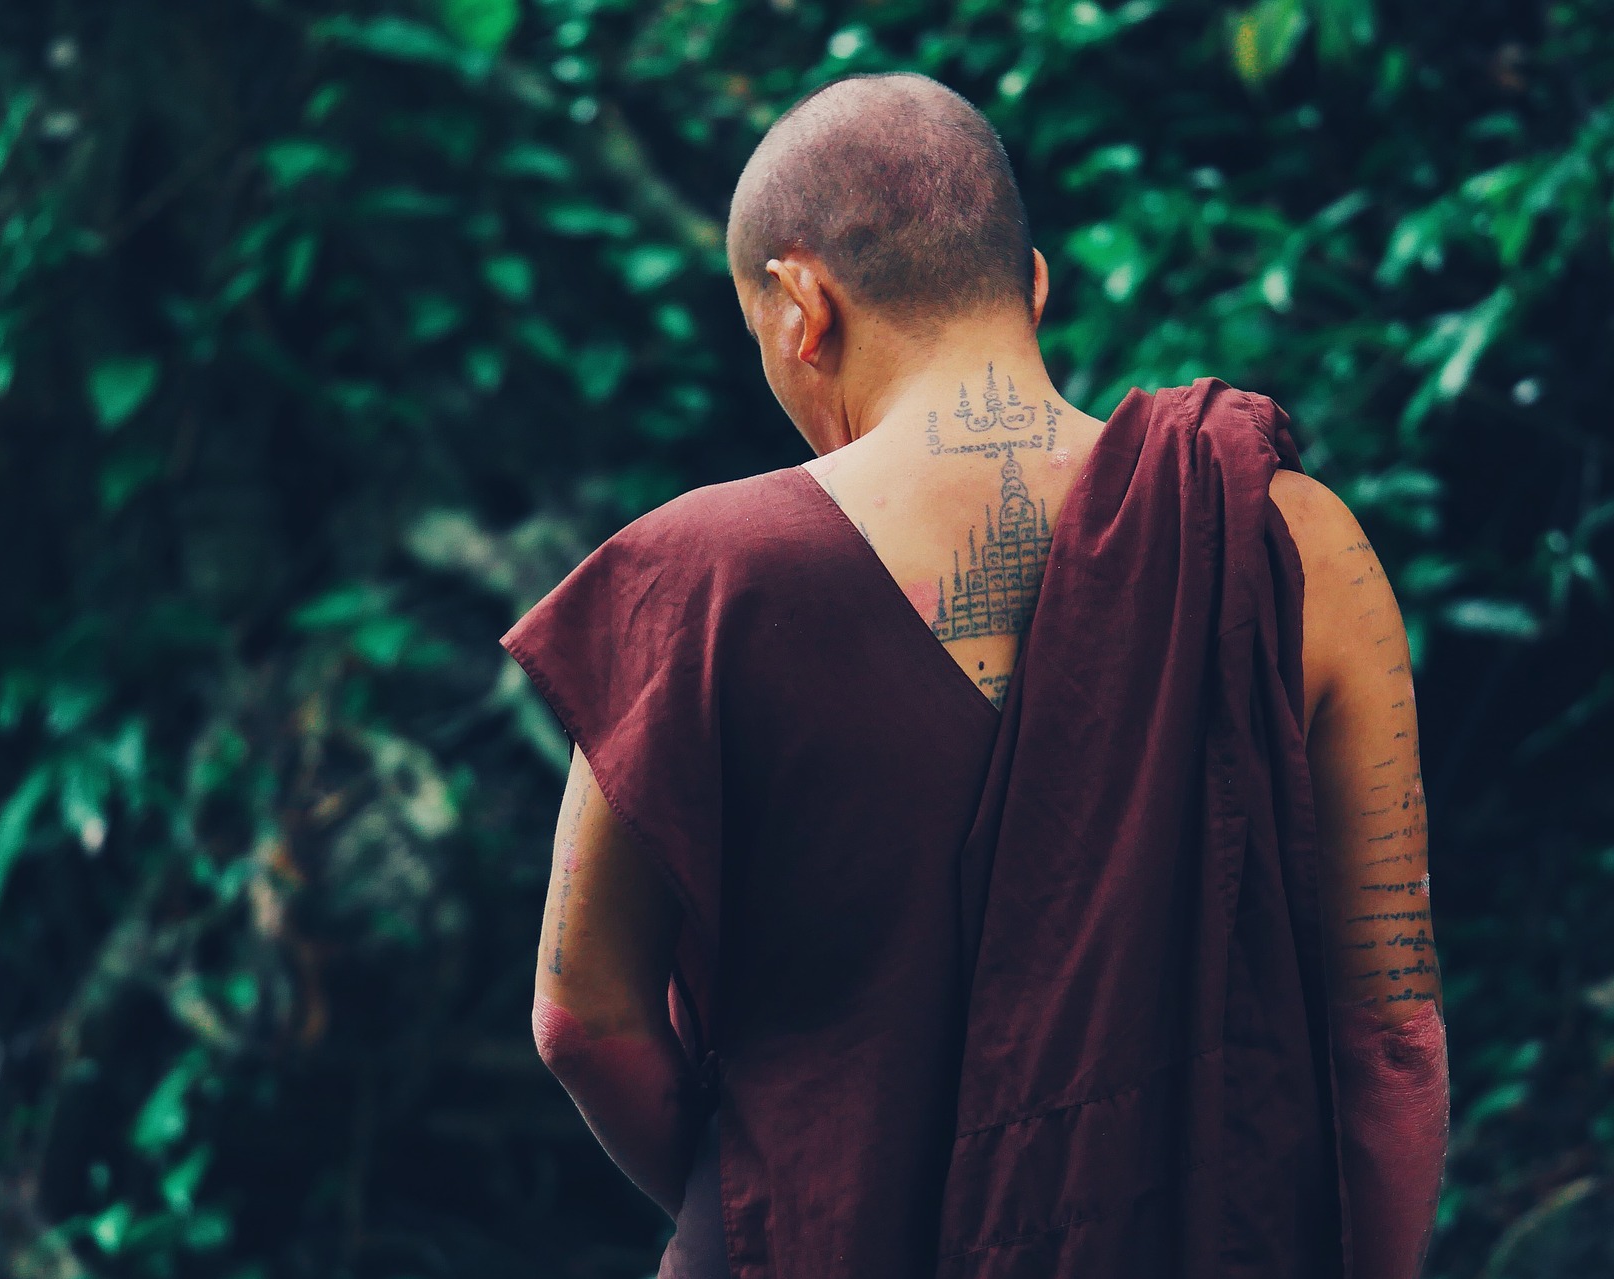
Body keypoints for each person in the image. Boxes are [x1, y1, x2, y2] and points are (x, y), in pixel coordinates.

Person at [502, 72, 1448, 1279]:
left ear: (798, 306)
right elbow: (1391, 1041)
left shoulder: (694, 580)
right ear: (1035, 283)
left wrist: (795, 1181)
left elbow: (581, 1019)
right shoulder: (1289, 542)